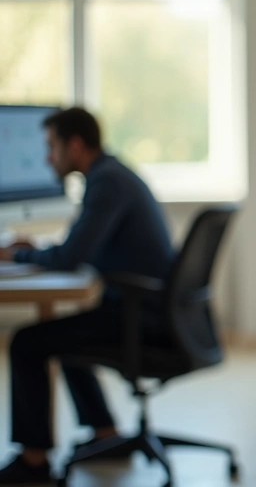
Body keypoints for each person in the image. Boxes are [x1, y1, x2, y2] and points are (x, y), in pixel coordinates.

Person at [0, 107, 176, 483]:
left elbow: (70, 257)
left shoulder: (107, 181)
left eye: (52, 147)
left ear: (75, 145)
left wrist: (17, 253)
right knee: (63, 332)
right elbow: (83, 248)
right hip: (154, 309)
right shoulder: (110, 174)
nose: (48, 158)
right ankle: (103, 432)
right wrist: (41, 250)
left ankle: (33, 462)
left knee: (27, 342)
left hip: (142, 316)